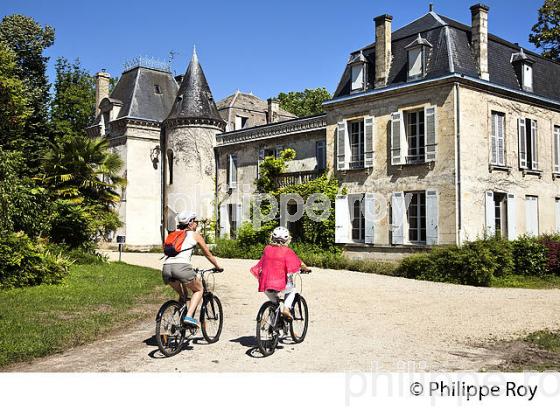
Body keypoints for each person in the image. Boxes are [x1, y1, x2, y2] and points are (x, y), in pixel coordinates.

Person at [162, 211, 222, 327]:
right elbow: (208, 255)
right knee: (199, 290)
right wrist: (218, 267)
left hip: (166, 268)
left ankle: (174, 323)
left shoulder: (172, 234)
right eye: (195, 222)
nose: (197, 224)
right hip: (182, 268)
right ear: (190, 223)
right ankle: (188, 317)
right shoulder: (195, 235)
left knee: (184, 296)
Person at [250, 226, 310, 319]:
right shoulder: (287, 251)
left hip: (266, 284)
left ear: (272, 237)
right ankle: (286, 309)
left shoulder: (267, 249)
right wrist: (306, 268)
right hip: (282, 284)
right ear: (287, 239)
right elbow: (298, 263)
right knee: (292, 291)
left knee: (274, 303)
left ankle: (273, 321)